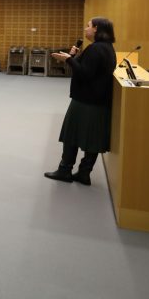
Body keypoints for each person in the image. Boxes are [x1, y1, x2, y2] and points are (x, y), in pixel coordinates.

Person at [45, 18, 117, 185]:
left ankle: (65, 170)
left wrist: (68, 60)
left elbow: (84, 74)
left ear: (96, 28)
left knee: (71, 135)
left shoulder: (95, 49)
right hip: (98, 101)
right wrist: (73, 57)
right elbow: (90, 70)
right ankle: (84, 173)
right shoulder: (107, 48)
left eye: (88, 26)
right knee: (92, 139)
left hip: (85, 100)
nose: (85, 29)